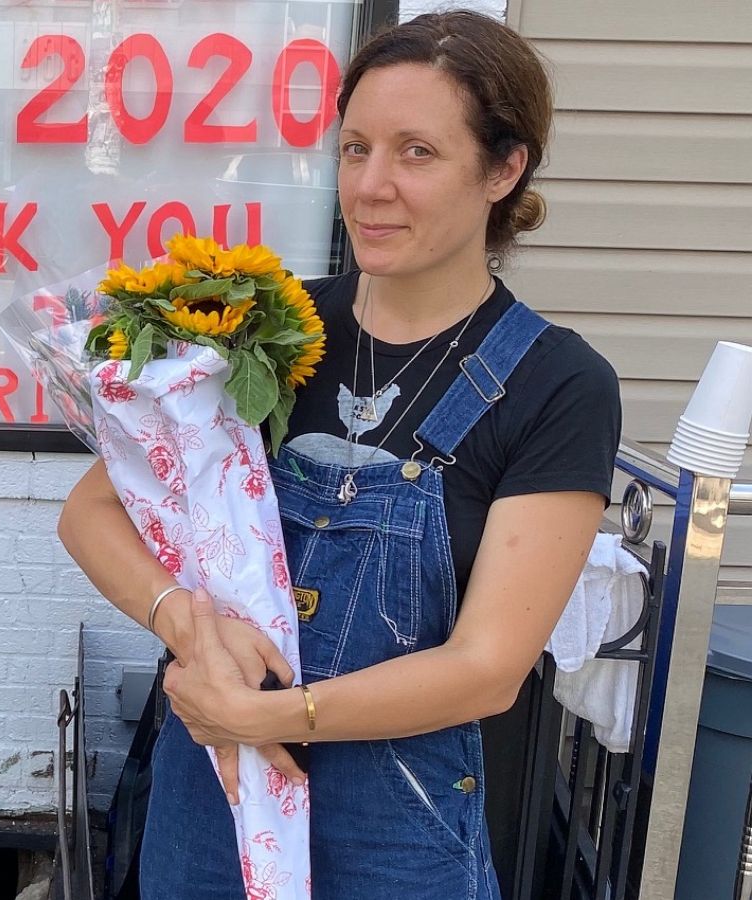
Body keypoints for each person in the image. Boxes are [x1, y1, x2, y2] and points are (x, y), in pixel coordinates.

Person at [56, 11, 622, 899]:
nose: (370, 186)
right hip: (214, 792)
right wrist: (188, 630)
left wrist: (269, 714)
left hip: (399, 827)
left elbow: (486, 668)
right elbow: (92, 511)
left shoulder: (558, 386)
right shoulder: (265, 332)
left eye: (417, 153)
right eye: (356, 148)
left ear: (504, 169)